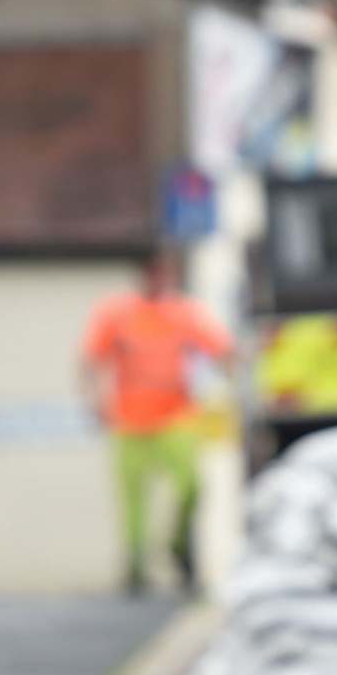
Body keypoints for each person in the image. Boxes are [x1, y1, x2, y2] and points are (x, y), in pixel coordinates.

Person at [77, 248, 234, 594]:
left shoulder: (184, 313)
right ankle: (135, 566)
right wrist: (93, 402)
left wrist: (228, 376)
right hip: (129, 420)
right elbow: (91, 360)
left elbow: (222, 351)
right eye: (154, 273)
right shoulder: (117, 314)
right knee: (133, 499)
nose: (160, 279)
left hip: (176, 416)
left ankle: (178, 547)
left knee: (191, 486)